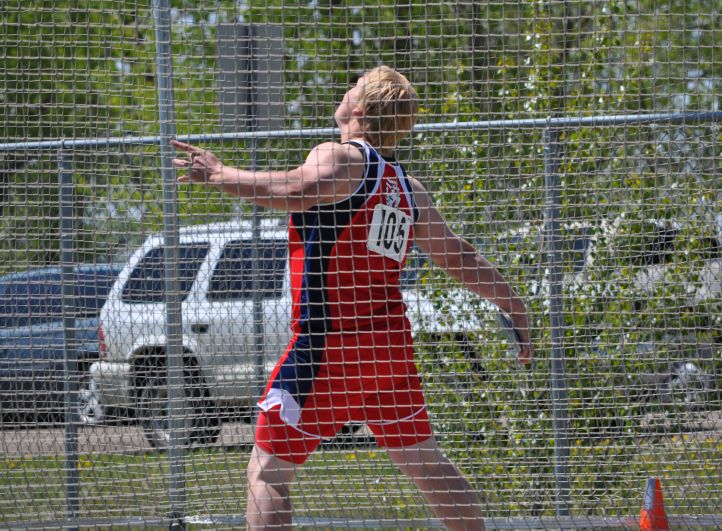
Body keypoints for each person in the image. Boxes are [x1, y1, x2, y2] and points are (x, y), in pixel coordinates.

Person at [172, 65, 532, 531]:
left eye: (353, 85)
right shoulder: (407, 189)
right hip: (388, 352)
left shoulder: (341, 158)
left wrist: (220, 173)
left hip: (330, 346)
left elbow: (298, 189)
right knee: (428, 466)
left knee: (268, 476)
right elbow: (458, 256)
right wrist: (513, 303)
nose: (344, 90)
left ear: (358, 110)